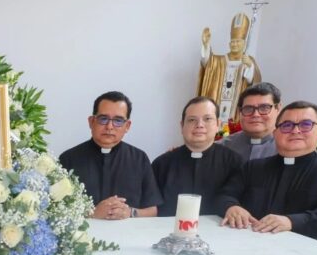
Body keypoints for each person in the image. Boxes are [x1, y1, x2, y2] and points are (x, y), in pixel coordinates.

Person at [218, 100, 317, 244]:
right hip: (248, 245)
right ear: (275, 133)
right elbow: (226, 194)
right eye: (287, 125)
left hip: (305, 253)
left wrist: (290, 222)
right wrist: (232, 206)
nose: (295, 131)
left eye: (305, 125)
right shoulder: (253, 167)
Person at [59, 91, 161, 220]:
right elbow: (55, 210)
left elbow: (153, 210)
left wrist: (130, 212)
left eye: (118, 120)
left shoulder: (139, 158)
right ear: (91, 122)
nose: (110, 126)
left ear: (127, 126)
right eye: (103, 119)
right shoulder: (68, 159)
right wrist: (92, 213)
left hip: (129, 236)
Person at [151, 97, 243, 217]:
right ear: (182, 126)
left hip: (219, 232)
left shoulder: (235, 163)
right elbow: (150, 207)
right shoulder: (161, 164)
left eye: (207, 119)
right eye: (191, 120)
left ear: (218, 125)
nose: (199, 125)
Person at [198, 12, 261, 124]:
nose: (234, 44)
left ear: (244, 44)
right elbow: (207, 63)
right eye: (232, 42)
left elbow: (254, 83)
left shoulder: (248, 61)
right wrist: (206, 45)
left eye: (237, 42)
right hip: (218, 103)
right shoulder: (221, 60)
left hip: (235, 111)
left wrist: (250, 66)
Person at [222, 82, 281, 162]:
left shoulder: (291, 148)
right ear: (239, 112)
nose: (255, 115)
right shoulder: (222, 148)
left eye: (264, 108)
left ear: (278, 109)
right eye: (248, 109)